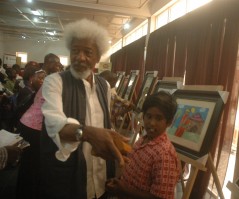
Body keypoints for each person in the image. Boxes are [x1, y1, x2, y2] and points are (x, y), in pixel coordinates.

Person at [40, 19, 125, 199]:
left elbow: (105, 124)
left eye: (88, 52)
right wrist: (88, 133)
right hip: (69, 176)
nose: (80, 57)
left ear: (98, 56)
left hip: (101, 174)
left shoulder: (104, 85)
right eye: (75, 51)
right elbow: (56, 125)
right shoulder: (55, 81)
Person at [106, 91, 180, 199]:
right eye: (148, 116)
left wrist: (123, 190)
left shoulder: (164, 155)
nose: (152, 123)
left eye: (159, 118)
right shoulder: (143, 139)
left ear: (169, 122)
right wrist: (119, 183)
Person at [16, 54, 60, 199]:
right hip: (33, 127)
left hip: (30, 123)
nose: (59, 67)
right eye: (56, 64)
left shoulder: (46, 77)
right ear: (48, 62)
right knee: (32, 165)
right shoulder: (47, 78)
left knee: (30, 164)